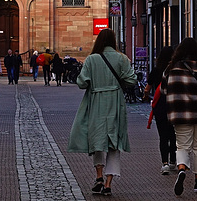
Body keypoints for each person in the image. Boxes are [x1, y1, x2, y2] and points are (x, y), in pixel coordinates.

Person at [68, 28, 137, 197]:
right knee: (114, 142)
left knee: (97, 139)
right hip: (115, 102)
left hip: (97, 101)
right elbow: (132, 80)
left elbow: (82, 83)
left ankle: (98, 175)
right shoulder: (122, 58)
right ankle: (108, 183)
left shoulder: (92, 59)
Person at [163, 37, 197, 196]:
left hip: (179, 113)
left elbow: (164, 90)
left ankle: (181, 169)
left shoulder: (170, 69)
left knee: (182, 145)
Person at [146, 45, 176, 174]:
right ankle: (174, 160)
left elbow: (148, 87)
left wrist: (145, 95)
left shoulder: (156, 70)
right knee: (174, 135)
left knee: (163, 136)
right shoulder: (174, 70)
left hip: (160, 106)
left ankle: (165, 163)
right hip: (174, 106)